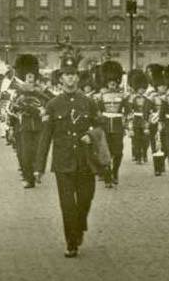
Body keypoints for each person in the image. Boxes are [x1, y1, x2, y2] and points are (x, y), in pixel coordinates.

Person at [36, 54, 101, 258]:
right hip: (63, 163)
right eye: (67, 75)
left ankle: (80, 225)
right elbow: (45, 137)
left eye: (74, 75)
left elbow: (101, 126)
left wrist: (91, 136)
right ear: (61, 78)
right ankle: (71, 242)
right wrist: (39, 167)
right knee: (67, 205)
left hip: (85, 161)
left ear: (78, 78)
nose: (70, 79)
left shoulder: (88, 103)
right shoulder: (53, 105)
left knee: (85, 200)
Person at [8, 54, 49, 189]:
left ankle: (36, 172)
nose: (30, 78)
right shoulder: (15, 90)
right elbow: (9, 107)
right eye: (28, 76)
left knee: (38, 152)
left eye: (32, 76)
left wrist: (42, 107)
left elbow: (50, 102)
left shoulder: (41, 90)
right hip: (22, 125)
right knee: (24, 153)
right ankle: (28, 178)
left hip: (39, 125)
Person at [94, 60, 127, 188]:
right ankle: (107, 177)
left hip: (118, 127)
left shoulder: (123, 96)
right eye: (110, 81)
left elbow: (128, 111)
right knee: (105, 152)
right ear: (107, 82)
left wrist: (128, 126)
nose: (112, 83)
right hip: (105, 127)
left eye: (114, 81)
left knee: (118, 152)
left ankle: (115, 172)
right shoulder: (101, 97)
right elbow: (97, 112)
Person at [128, 70, 151, 164]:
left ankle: (144, 154)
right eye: (140, 88)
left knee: (145, 140)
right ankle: (138, 156)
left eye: (143, 88)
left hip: (145, 121)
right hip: (136, 121)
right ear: (136, 88)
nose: (142, 90)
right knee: (136, 140)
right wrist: (129, 125)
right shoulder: (132, 99)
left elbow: (151, 111)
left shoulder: (147, 99)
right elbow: (130, 111)